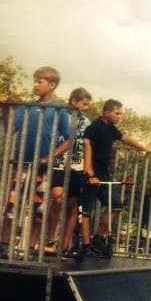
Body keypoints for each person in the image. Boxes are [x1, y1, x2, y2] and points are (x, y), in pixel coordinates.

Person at [0, 66, 72, 258]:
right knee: (11, 205)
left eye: (39, 81)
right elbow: (10, 129)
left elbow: (69, 138)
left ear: (52, 84)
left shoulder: (59, 110)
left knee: (38, 210)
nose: (35, 85)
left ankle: (31, 249)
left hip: (42, 167)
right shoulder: (27, 107)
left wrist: (50, 157)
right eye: (35, 81)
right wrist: (5, 110)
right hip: (23, 163)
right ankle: (3, 246)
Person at [79, 99, 151, 258]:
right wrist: (90, 174)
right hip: (90, 176)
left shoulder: (111, 130)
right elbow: (87, 148)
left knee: (117, 205)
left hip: (104, 176)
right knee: (86, 212)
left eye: (120, 114)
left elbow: (126, 139)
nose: (120, 116)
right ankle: (85, 245)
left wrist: (145, 148)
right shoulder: (93, 128)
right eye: (117, 113)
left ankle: (98, 237)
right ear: (106, 113)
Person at [49, 87, 93, 257]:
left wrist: (88, 168)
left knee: (73, 205)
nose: (86, 107)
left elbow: (88, 145)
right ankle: (50, 239)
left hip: (77, 166)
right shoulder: (61, 115)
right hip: (59, 163)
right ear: (74, 101)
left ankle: (64, 244)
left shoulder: (86, 122)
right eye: (84, 103)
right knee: (58, 199)